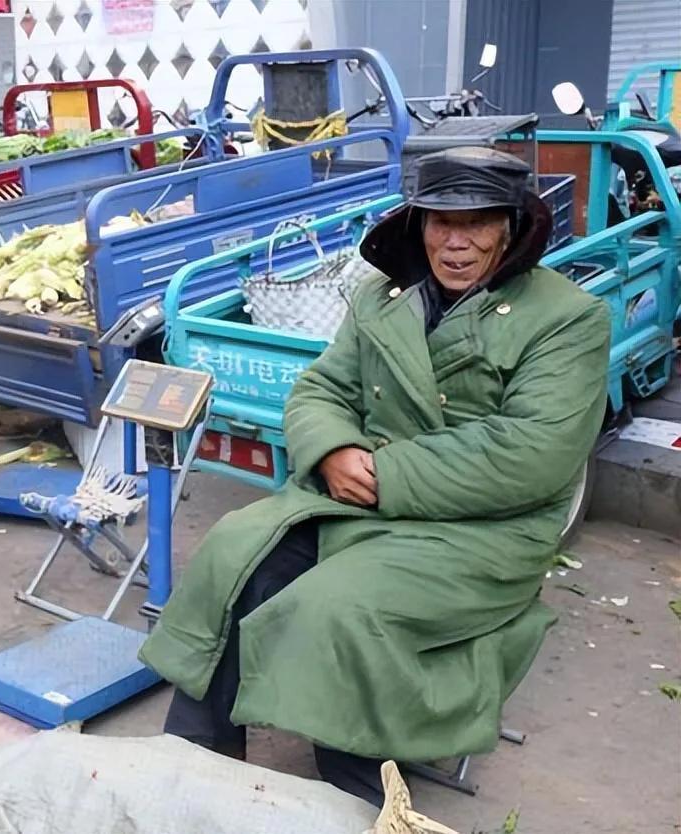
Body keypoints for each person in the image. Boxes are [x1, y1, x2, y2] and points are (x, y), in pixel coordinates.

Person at [140, 147, 611, 806]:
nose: (456, 242)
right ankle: (198, 753)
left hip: (480, 526)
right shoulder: (382, 297)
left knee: (335, 607)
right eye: (440, 222)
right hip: (360, 494)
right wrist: (332, 450)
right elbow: (321, 389)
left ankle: (360, 784)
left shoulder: (567, 317)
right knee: (236, 551)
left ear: (510, 227)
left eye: (477, 223)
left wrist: (383, 473)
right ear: (417, 224)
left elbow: (532, 453)